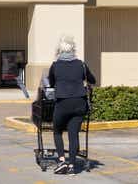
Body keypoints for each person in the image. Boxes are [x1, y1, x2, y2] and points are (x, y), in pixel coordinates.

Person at [48, 36, 96, 175]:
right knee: (73, 134)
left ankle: (62, 161)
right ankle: (72, 166)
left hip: (63, 103)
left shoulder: (55, 65)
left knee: (57, 131)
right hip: (79, 103)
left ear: (59, 51)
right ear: (73, 49)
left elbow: (51, 83)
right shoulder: (81, 64)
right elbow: (92, 79)